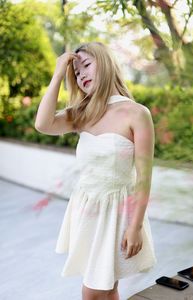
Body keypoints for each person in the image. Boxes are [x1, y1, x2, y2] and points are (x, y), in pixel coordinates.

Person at [35, 41, 157, 300]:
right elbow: (43, 124)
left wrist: (135, 227)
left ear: (106, 63)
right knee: (107, 287)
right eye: (76, 74)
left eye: (87, 65)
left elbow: (144, 178)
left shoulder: (137, 114)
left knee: (92, 291)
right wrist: (58, 74)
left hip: (117, 213)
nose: (82, 76)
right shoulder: (82, 113)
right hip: (86, 210)